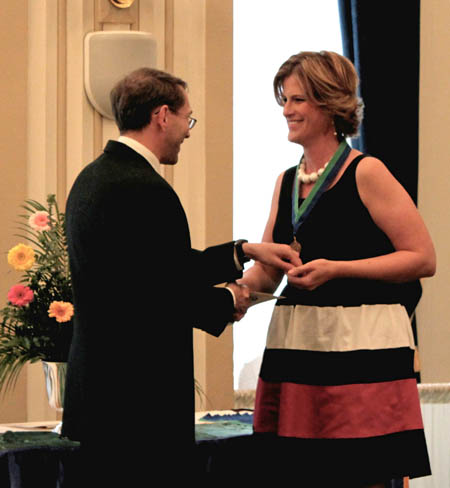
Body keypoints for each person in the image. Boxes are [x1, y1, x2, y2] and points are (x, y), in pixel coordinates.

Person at [61, 67, 301, 482]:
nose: (187, 132)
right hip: (140, 400)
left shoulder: (93, 177)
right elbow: (158, 293)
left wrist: (242, 251)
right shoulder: (145, 187)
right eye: (187, 119)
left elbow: (153, 267)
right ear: (162, 115)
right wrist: (230, 300)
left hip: (100, 392)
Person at [237, 51, 436, 486]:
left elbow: (423, 258)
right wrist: (231, 295)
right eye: (284, 100)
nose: (286, 110)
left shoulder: (368, 171)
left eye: (298, 100)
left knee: (359, 472)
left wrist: (338, 269)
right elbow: (270, 271)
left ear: (330, 106)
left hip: (360, 346)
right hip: (299, 347)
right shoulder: (286, 181)